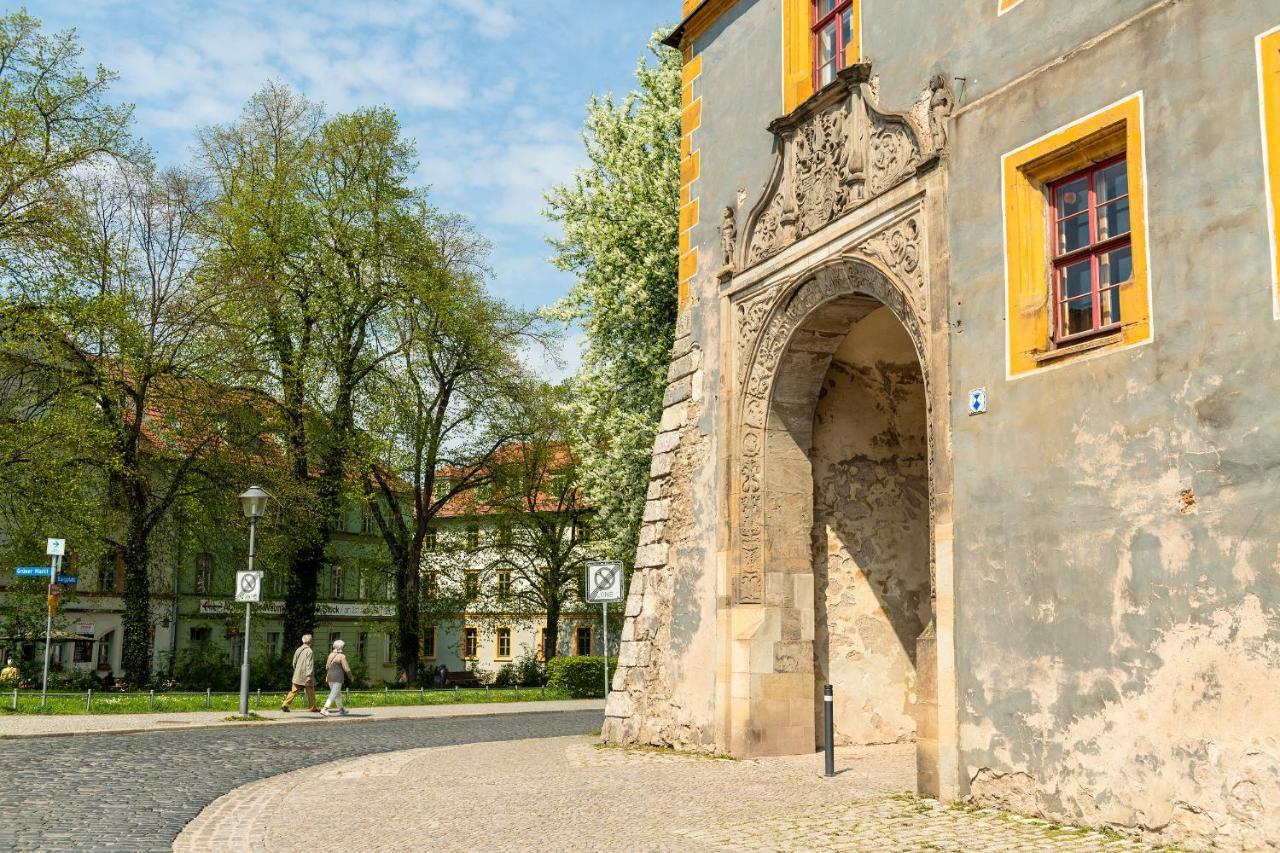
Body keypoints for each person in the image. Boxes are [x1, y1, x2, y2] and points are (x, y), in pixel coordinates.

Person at [281, 634, 318, 713]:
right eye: (312, 639)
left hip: (297, 674)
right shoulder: (309, 651)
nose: (313, 640)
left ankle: (285, 704)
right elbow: (309, 664)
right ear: (309, 641)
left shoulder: (298, 649)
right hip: (306, 675)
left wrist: (297, 670)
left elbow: (294, 662)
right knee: (311, 692)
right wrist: (308, 676)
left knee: (294, 691)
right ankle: (312, 707)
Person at [320, 639, 352, 717]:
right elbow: (347, 669)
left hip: (330, 677)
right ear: (341, 647)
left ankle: (341, 709)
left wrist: (327, 676)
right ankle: (325, 709)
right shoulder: (342, 656)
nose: (345, 648)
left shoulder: (330, 655)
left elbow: (327, 667)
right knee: (334, 693)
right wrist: (351, 677)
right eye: (344, 647)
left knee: (337, 693)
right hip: (338, 678)